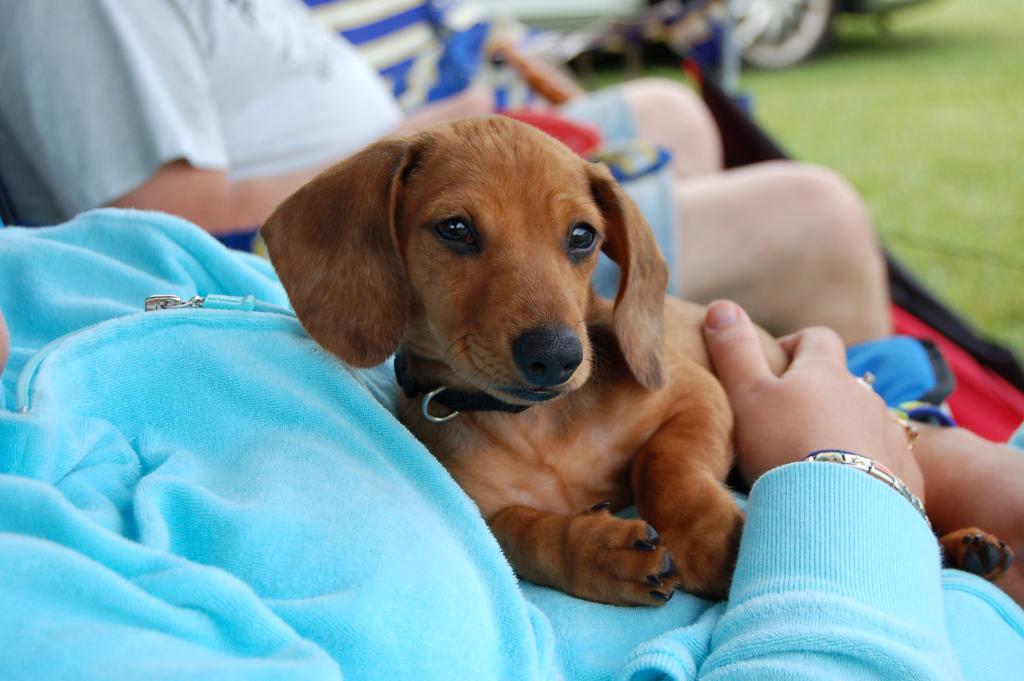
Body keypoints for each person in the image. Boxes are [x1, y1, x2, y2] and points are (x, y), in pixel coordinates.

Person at [1, 210, 1022, 680]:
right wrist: (846, 490)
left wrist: (915, 458)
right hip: (857, 596)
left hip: (862, 487)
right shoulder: (43, 594)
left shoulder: (80, 264)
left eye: (579, 241)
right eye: (457, 235)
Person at [0, 0, 888, 344]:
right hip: (353, 234)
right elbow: (154, 220)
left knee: (671, 111)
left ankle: (693, 396)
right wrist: (411, 152)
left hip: (418, 168)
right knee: (815, 216)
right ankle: (888, 454)